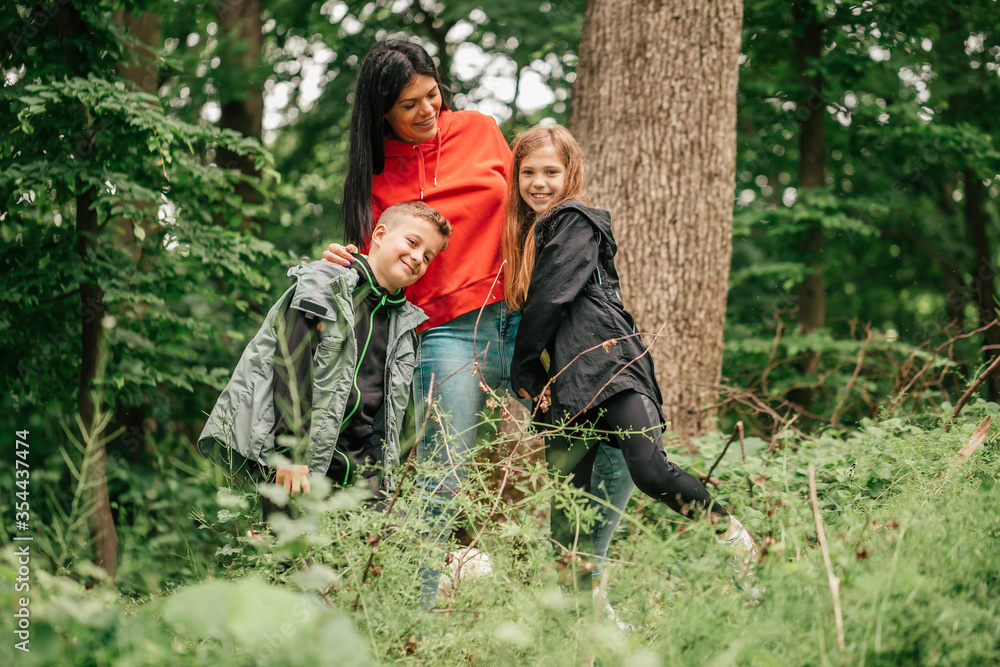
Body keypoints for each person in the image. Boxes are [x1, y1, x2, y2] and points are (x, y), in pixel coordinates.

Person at [321, 39, 633, 600]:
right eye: (408, 104)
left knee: (616, 432)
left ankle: (584, 591)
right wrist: (340, 260)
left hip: (530, 314)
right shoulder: (371, 177)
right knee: (443, 476)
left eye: (431, 95)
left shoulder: (480, 130)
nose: (427, 111)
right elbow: (378, 263)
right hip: (449, 332)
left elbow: (538, 192)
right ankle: (409, 618)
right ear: (381, 111)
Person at [504, 124, 759, 599]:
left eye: (551, 172)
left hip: (609, 366)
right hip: (565, 386)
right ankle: (585, 618)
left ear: (571, 173)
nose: (539, 183)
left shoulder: (575, 219)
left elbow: (552, 297)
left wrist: (523, 369)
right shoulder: (529, 234)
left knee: (650, 470)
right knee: (569, 514)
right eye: (529, 173)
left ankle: (733, 536)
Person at [198, 202, 452, 515]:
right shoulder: (323, 283)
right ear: (381, 234)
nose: (417, 258)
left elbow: (386, 416)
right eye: (413, 243)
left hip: (358, 481)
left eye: (427, 256)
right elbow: (291, 366)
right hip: (299, 465)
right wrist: (291, 452)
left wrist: (378, 487)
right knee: (287, 560)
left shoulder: (405, 325)